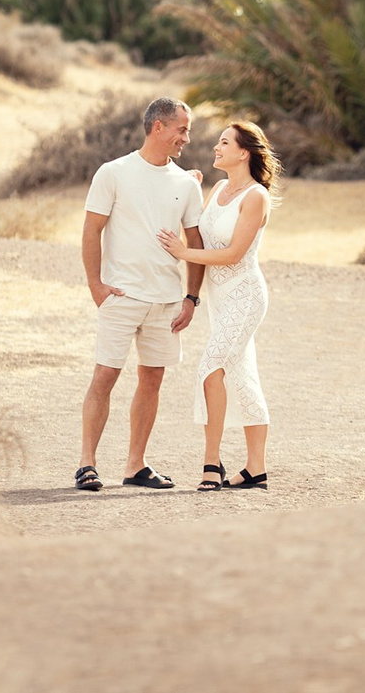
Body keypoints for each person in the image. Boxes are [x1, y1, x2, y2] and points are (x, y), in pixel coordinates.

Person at [75, 96, 206, 492]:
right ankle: (87, 464)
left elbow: (195, 242)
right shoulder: (113, 173)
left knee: (152, 380)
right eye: (182, 129)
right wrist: (96, 286)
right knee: (105, 376)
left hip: (166, 301)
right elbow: (91, 231)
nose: (186, 138)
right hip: (121, 296)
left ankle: (136, 465)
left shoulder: (186, 183)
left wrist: (191, 298)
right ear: (158, 127)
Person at [159, 118, 277, 491]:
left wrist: (182, 251)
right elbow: (205, 237)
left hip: (245, 296)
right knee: (242, 376)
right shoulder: (221, 188)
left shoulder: (256, 196)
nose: (216, 147)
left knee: (211, 366)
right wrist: (190, 191)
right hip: (219, 300)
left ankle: (212, 464)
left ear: (243, 152)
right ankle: (255, 468)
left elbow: (232, 254)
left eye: (224, 143)